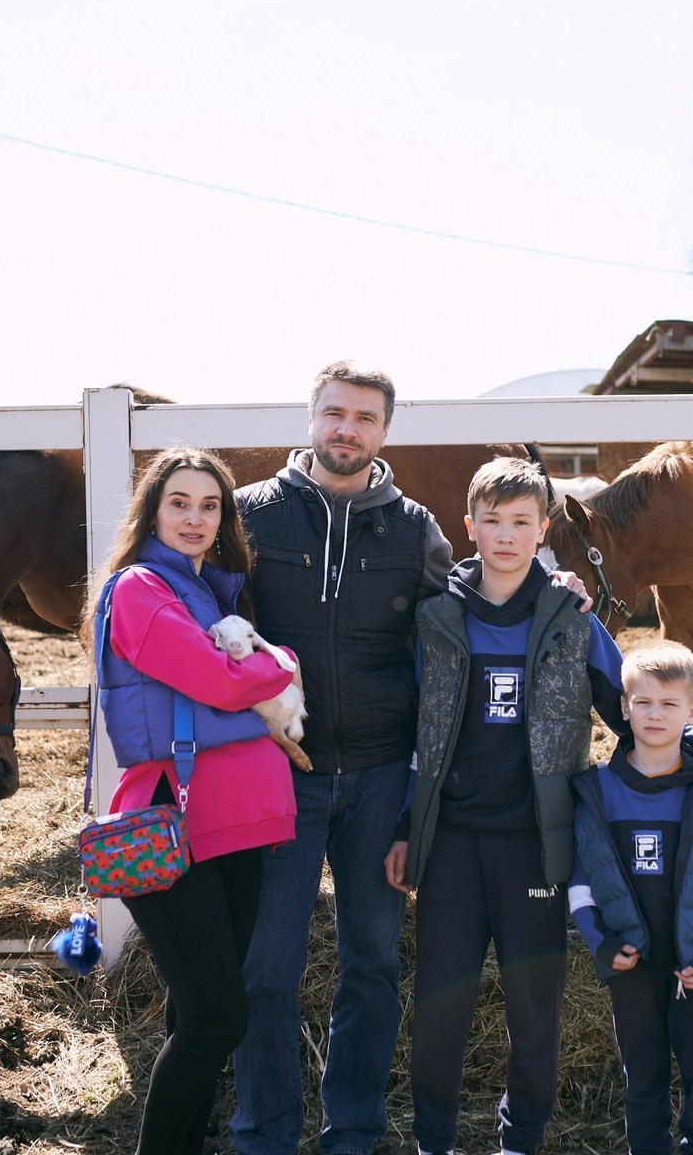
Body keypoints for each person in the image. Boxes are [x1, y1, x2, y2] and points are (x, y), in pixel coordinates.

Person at [383, 458, 693, 1155]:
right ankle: (435, 1140)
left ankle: (519, 1139)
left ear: (543, 530)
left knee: (534, 1011)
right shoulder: (437, 620)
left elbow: (637, 708)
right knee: (440, 1004)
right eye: (491, 521)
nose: (505, 535)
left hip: (538, 843)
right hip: (454, 843)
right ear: (469, 528)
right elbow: (417, 737)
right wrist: (406, 826)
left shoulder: (571, 621)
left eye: (521, 522)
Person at [229, 360, 457, 1155]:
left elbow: (458, 635)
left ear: (385, 431)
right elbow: (201, 613)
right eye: (334, 413)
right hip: (277, 776)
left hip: (379, 776)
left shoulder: (415, 529)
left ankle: (352, 1132)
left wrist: (553, 584)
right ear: (311, 418)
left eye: (364, 417)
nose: (346, 430)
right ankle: (263, 1133)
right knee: (266, 969)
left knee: (371, 963)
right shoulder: (251, 516)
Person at [85, 447, 301, 1155]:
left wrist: (260, 679)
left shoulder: (211, 592)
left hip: (236, 827)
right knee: (216, 1021)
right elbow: (222, 681)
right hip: (174, 823)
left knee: (195, 1017)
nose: (195, 517)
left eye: (211, 505)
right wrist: (283, 666)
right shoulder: (141, 587)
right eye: (179, 502)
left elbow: (226, 688)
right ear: (153, 510)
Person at [569, 640, 693, 1155]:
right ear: (623, 708)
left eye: (670, 704)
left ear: (692, 712)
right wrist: (601, 945)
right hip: (630, 965)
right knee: (642, 1078)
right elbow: (581, 881)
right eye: (643, 703)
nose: (655, 714)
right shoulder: (596, 791)